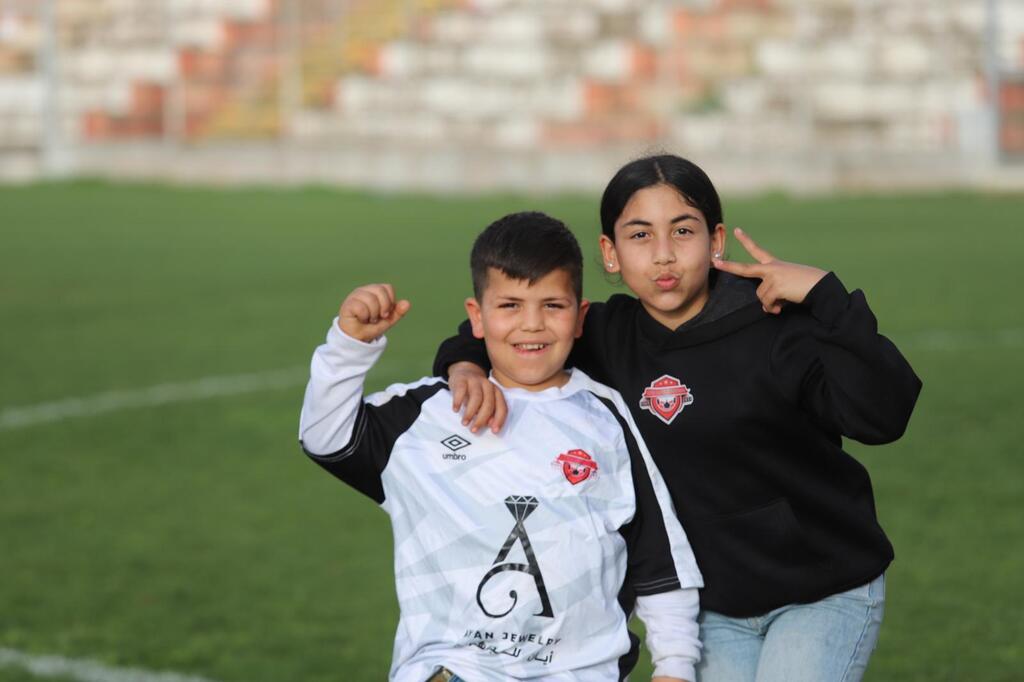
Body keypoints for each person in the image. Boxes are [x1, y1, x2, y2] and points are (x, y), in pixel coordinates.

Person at [433, 156, 922, 682]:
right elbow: (508, 321)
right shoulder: (603, 334)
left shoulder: (774, 322)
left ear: (715, 241)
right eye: (639, 235)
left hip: (823, 588)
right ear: (610, 252)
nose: (663, 255)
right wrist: (465, 363)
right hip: (707, 608)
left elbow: (882, 416)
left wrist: (825, 296)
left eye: (682, 232)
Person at [299, 211, 705, 682]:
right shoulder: (428, 415)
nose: (531, 325)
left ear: (580, 318)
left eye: (552, 305)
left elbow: (659, 561)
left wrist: (675, 666)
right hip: (454, 669)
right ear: (477, 316)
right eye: (510, 305)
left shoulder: (608, 418)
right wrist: (349, 346)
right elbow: (324, 437)